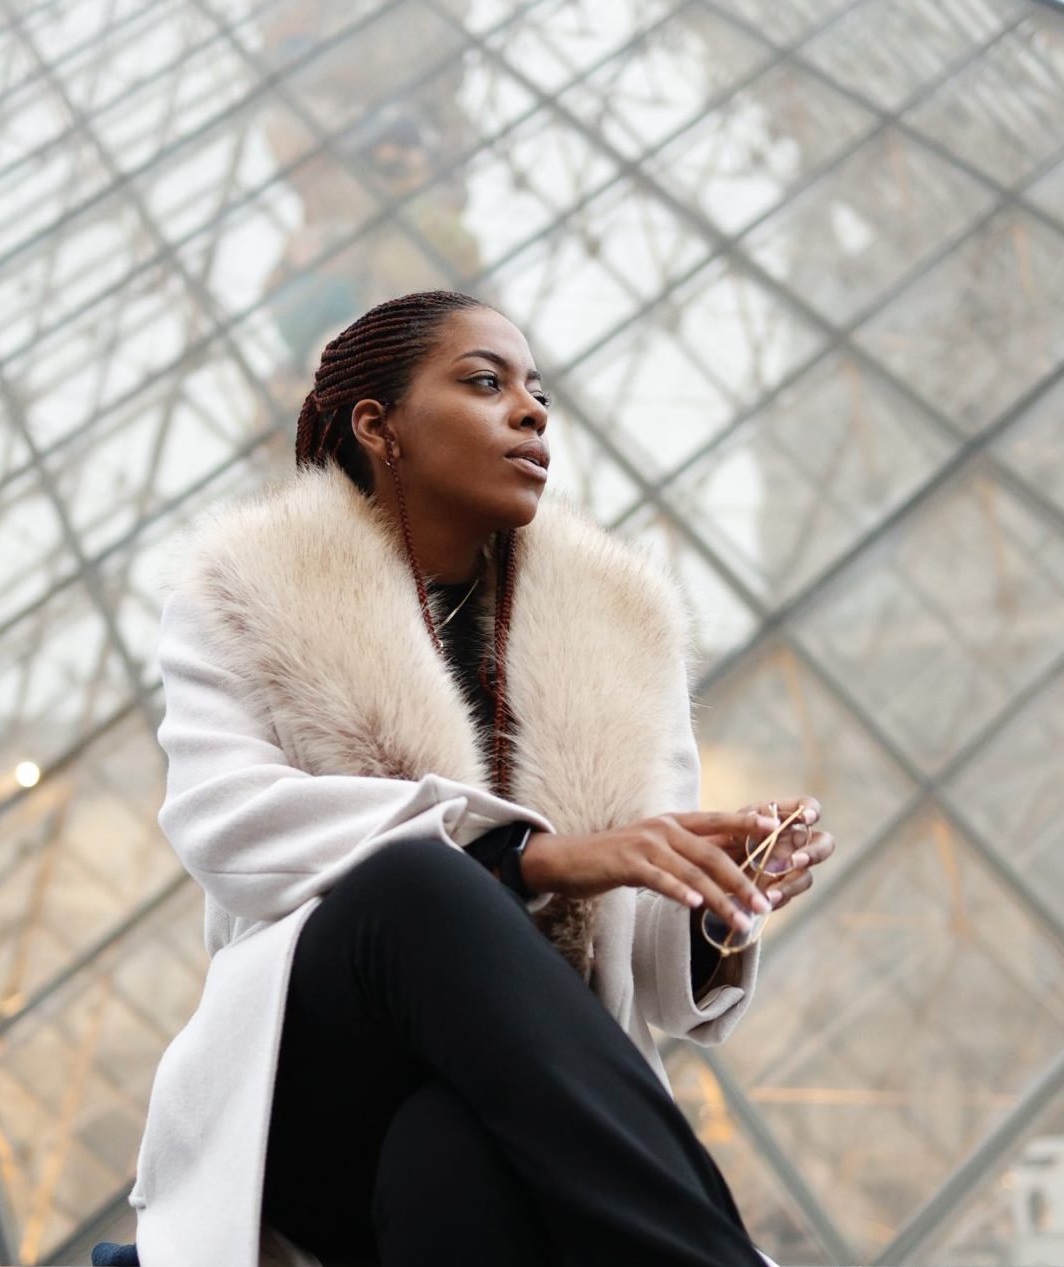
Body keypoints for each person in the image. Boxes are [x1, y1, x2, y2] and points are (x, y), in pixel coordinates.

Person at [116, 289, 835, 1267]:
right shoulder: (244, 597)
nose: (532, 411)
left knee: (449, 1151)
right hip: (320, 1084)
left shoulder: (620, 632)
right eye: (485, 383)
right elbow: (231, 829)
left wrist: (713, 899)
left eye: (536, 391)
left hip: (509, 1101)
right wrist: (530, 859)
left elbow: (649, 982)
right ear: (379, 428)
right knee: (413, 883)